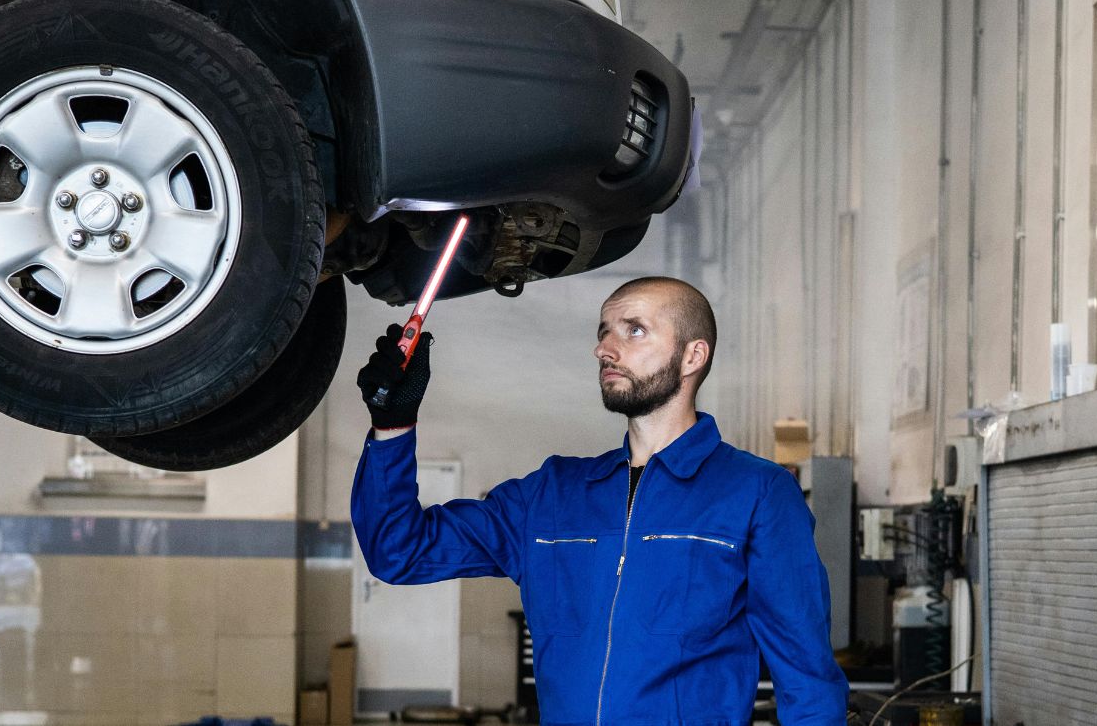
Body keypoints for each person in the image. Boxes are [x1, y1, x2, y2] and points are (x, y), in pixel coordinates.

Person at [351, 276, 849, 724]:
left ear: (693, 356)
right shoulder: (551, 494)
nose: (605, 349)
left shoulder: (756, 493)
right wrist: (392, 425)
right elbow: (400, 552)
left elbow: (806, 677)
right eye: (603, 331)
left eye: (634, 331)